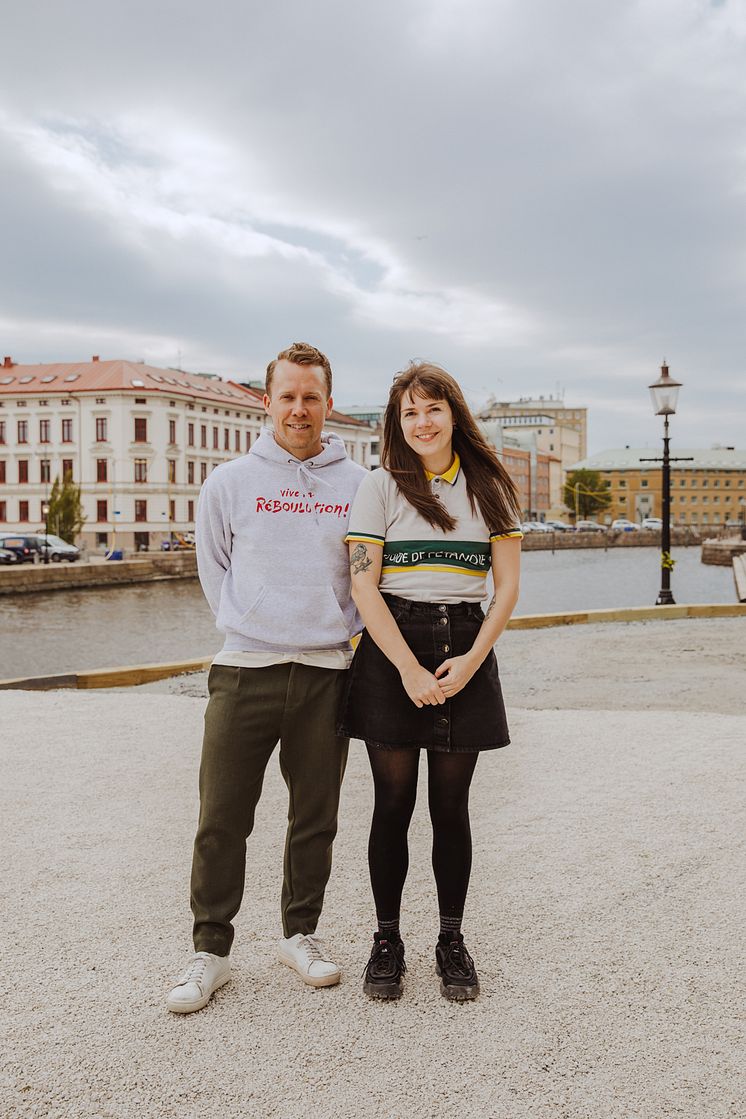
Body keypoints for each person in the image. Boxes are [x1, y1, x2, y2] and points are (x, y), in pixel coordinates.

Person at [166, 342, 366, 1014]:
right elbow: (213, 568)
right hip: (243, 668)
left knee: (316, 817)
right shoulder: (229, 482)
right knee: (221, 815)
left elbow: (366, 573)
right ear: (268, 401)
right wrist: (247, 619)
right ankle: (211, 949)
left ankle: (298, 932)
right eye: (288, 396)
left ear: (328, 403)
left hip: (325, 671)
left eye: (311, 396)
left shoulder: (356, 484)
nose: (300, 409)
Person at [339, 361, 522, 1001]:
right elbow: (364, 583)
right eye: (409, 412)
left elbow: (505, 591)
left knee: (451, 808)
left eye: (432, 408)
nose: (421, 421)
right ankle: (386, 939)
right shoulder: (379, 486)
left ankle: (451, 938)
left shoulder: (489, 486)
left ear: (453, 414)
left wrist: (471, 662)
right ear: (397, 423)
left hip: (466, 644)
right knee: (391, 805)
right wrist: (407, 667)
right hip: (396, 647)